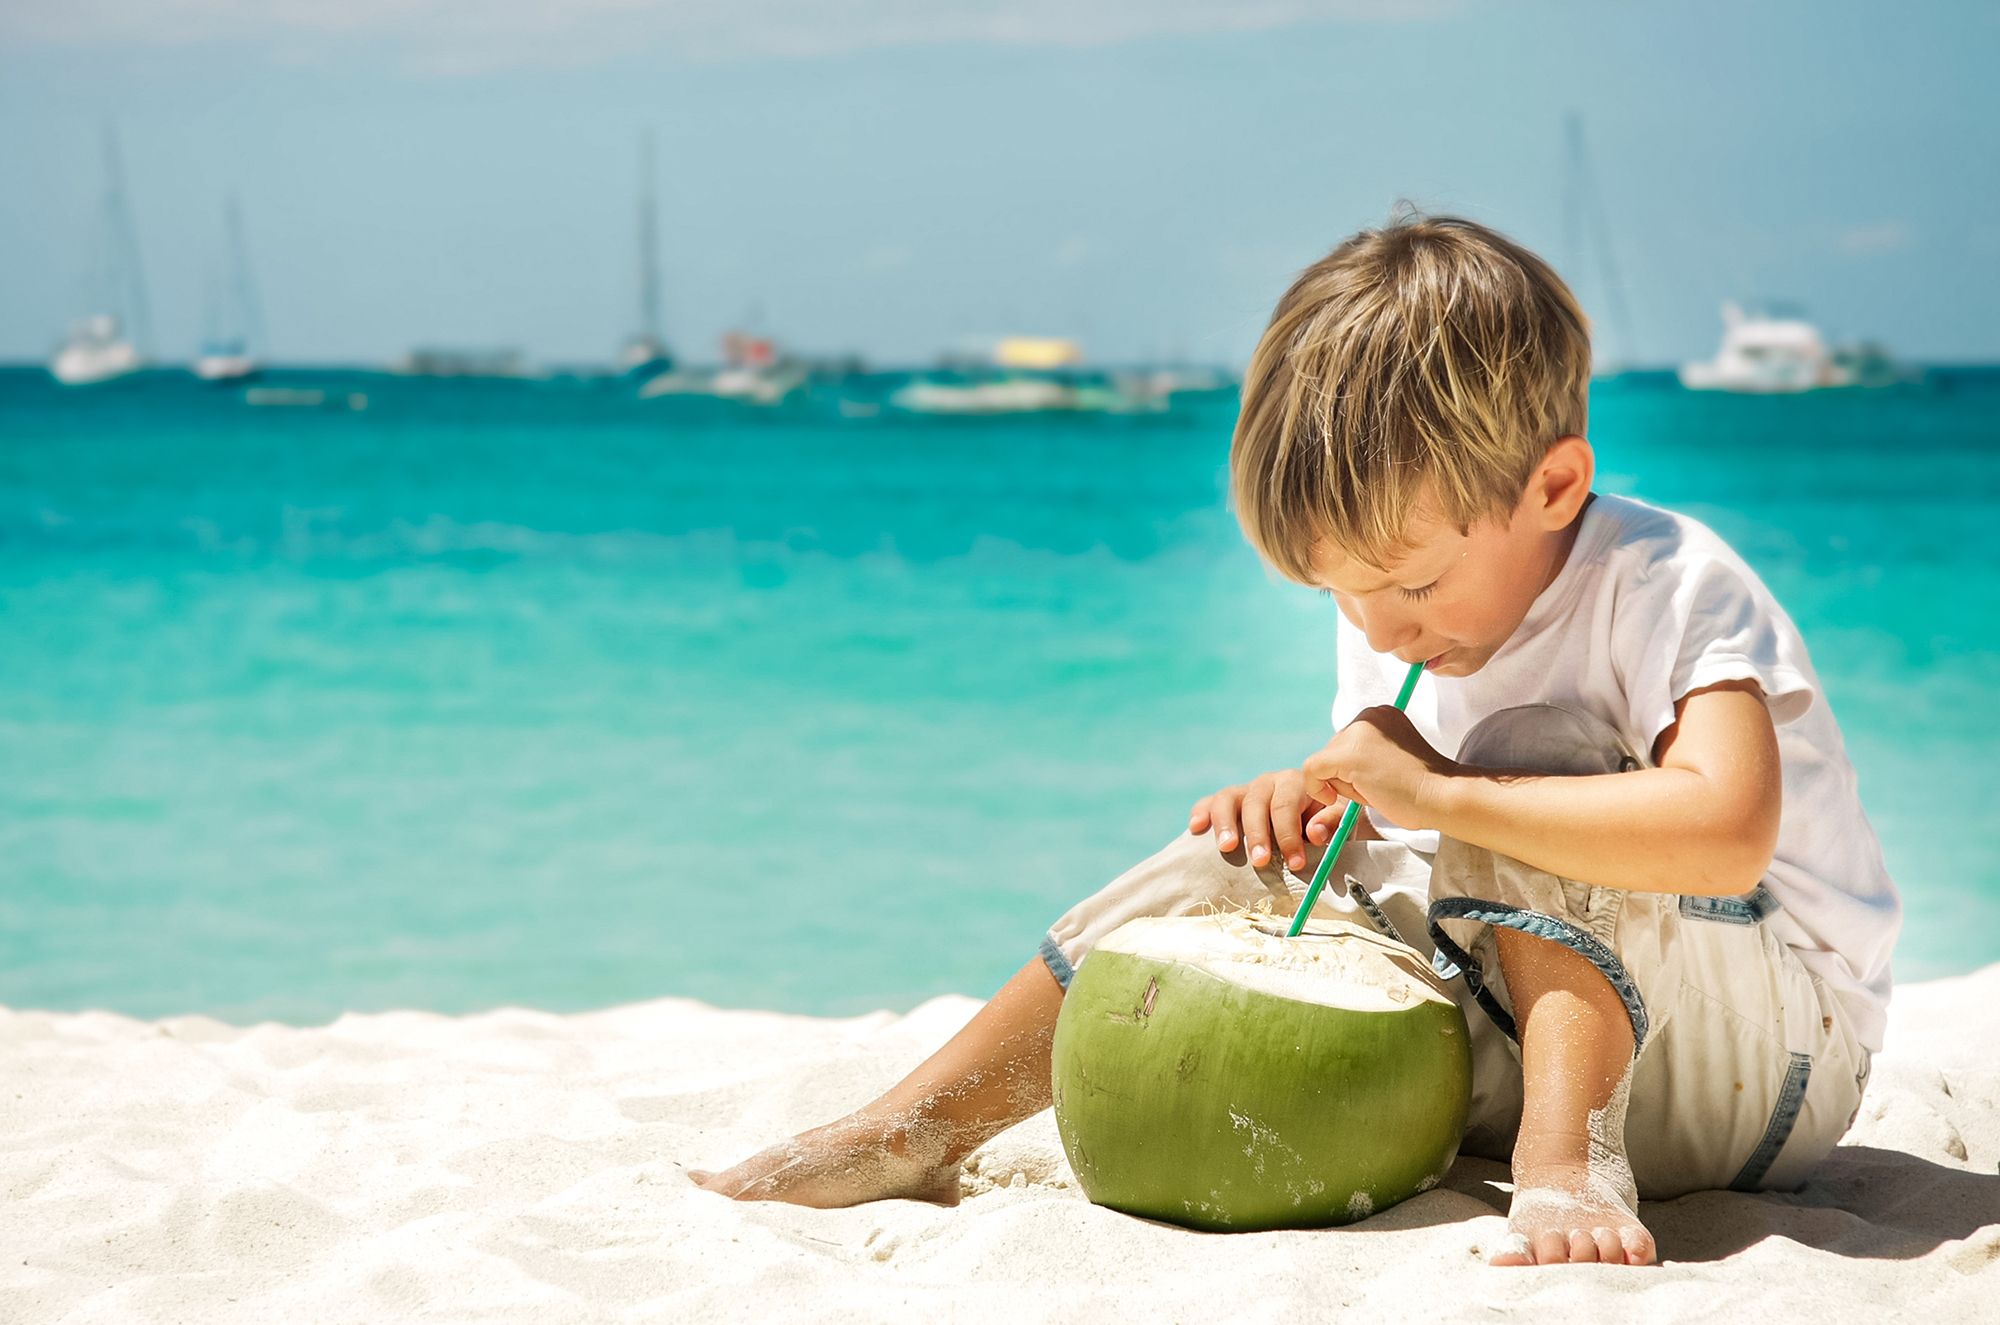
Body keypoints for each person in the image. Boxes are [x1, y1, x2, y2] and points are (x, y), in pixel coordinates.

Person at [691, 212, 1900, 1267]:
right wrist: (1318, 805)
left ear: (1552, 485)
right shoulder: (1404, 608)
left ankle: (1568, 1162)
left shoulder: (1664, 578)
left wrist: (1442, 789)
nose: (1381, 626)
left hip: (1763, 1070)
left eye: (1412, 587)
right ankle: (916, 1124)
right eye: (1341, 596)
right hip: (1532, 1025)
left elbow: (1724, 832)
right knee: (1252, 858)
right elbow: (1414, 838)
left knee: (1538, 752)